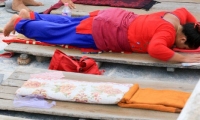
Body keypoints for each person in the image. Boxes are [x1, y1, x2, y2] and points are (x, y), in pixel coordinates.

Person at [3, 7, 200, 63]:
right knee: (59, 34)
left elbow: (185, 11)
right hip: (104, 32)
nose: (178, 49)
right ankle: (21, 23)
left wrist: (198, 25)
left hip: (111, 17)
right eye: (182, 46)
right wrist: (183, 58)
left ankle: (31, 16)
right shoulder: (166, 34)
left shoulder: (175, 18)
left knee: (71, 24)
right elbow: (155, 49)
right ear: (183, 39)